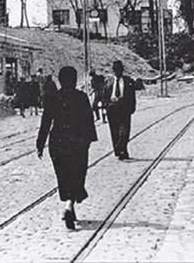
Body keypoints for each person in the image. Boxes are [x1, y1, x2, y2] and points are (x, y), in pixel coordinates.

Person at [36, 66, 97, 230]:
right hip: (77, 143)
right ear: (75, 80)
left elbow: (46, 123)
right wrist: (88, 141)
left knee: (63, 176)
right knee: (77, 175)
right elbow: (88, 121)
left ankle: (69, 205)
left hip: (58, 143)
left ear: (61, 80)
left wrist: (40, 144)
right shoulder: (81, 97)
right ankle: (70, 205)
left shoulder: (53, 98)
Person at [104, 60, 136, 160]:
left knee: (125, 132)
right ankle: (120, 151)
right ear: (113, 71)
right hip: (112, 109)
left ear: (122, 70)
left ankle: (122, 149)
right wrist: (106, 106)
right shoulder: (108, 81)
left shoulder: (128, 81)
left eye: (119, 70)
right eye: (116, 70)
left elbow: (132, 96)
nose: (118, 72)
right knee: (114, 132)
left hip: (124, 109)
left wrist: (132, 108)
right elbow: (104, 96)